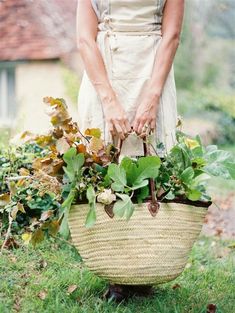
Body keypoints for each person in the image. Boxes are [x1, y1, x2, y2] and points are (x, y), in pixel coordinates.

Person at [76, 0, 184, 300]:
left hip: (152, 70)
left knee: (149, 168)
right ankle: (115, 272)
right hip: (105, 68)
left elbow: (172, 34)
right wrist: (108, 99)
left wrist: (152, 96)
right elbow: (84, 37)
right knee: (106, 171)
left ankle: (143, 268)